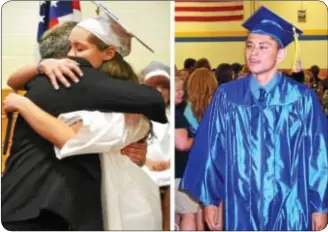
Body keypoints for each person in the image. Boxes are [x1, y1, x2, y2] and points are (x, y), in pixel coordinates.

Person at [2, 11, 167, 231]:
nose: (71, 57)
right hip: (65, 204)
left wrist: (23, 103)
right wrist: (41, 65)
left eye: (80, 49)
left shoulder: (124, 109)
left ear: (108, 55)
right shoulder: (60, 79)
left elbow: (70, 138)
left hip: (60, 202)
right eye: (70, 47)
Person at [180, 6, 328, 231]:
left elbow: (318, 152)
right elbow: (212, 149)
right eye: (249, 45)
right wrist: (211, 199)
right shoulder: (227, 96)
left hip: (291, 203)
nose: (253, 53)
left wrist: (320, 205)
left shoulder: (301, 99)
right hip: (239, 204)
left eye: (263, 46)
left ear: (280, 54)